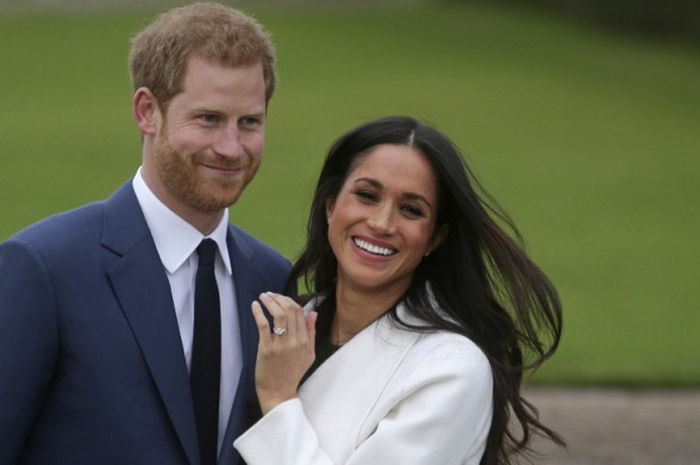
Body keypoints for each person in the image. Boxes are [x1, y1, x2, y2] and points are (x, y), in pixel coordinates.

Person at [0, 3, 290, 465]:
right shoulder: (44, 269)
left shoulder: (276, 282)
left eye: (249, 122)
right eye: (209, 118)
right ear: (147, 111)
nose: (232, 147)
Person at [233, 116, 564, 465]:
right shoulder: (287, 329)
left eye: (411, 210)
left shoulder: (451, 369)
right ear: (331, 205)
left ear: (435, 237)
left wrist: (281, 401)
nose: (381, 223)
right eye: (366, 195)